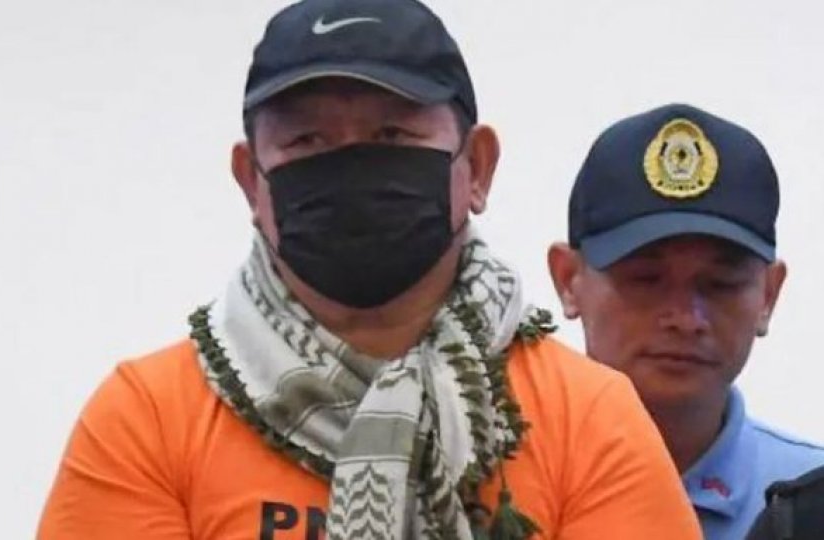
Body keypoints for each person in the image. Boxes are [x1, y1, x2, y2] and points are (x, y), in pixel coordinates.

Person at [38, 1, 701, 538]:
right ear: (251, 181)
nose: (351, 166)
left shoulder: (589, 419)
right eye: (308, 140)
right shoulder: (149, 419)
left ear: (477, 167)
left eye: (393, 135)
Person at [548, 103, 824, 540]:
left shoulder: (812, 511)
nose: (686, 318)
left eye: (720, 284)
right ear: (568, 279)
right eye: (646, 279)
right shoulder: (488, 479)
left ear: (769, 295)